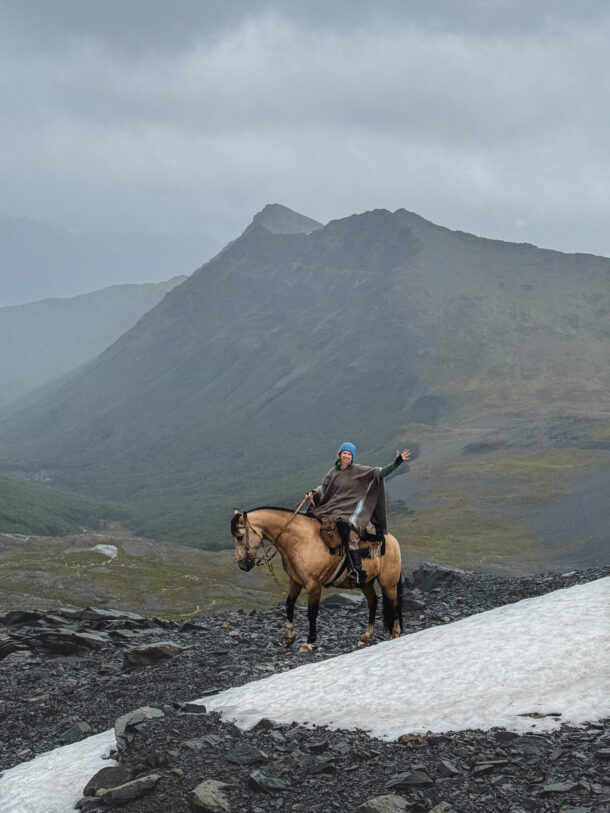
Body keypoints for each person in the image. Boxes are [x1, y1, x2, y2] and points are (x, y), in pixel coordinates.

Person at [307, 442, 411, 586]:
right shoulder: (333, 472)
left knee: (350, 533)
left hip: (351, 509)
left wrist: (397, 462)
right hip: (333, 508)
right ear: (340, 454)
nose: (346, 456)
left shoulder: (359, 470)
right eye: (344, 453)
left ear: (352, 457)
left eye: (349, 454)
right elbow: (324, 488)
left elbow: (380, 472)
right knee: (316, 523)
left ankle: (357, 571)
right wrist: (314, 493)